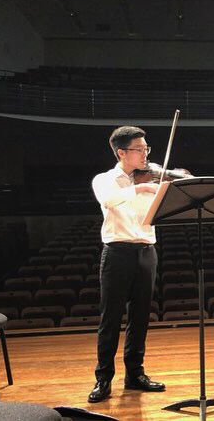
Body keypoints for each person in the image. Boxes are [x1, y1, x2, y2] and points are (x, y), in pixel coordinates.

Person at [88, 126, 166, 403]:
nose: (145, 153)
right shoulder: (105, 180)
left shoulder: (151, 177)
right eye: (140, 148)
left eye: (147, 148)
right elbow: (108, 200)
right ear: (122, 152)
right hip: (117, 252)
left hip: (147, 251)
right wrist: (141, 188)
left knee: (141, 317)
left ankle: (135, 374)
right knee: (110, 319)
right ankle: (103, 378)